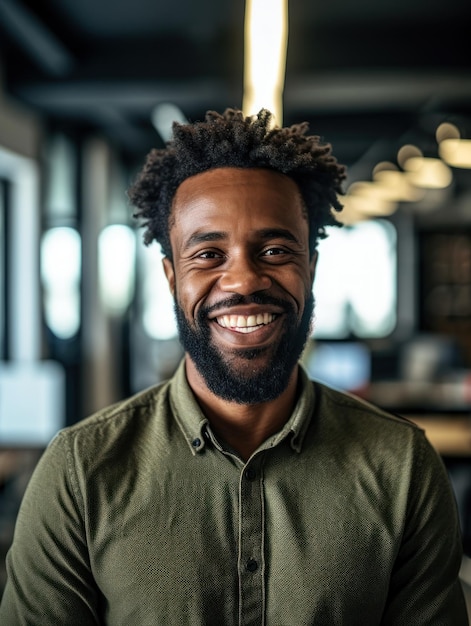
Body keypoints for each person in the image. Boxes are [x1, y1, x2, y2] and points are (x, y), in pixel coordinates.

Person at [0, 109, 467, 625]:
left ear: (309, 268)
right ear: (170, 276)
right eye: (208, 254)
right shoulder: (79, 473)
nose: (243, 279)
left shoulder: (403, 468)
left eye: (273, 249)